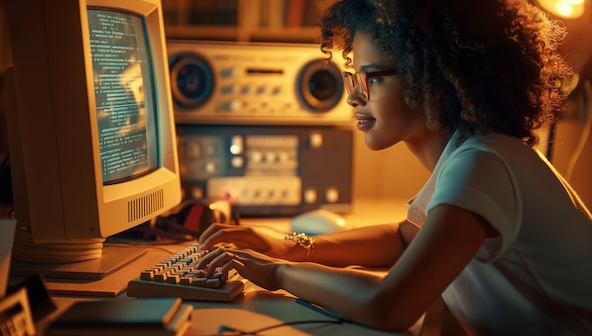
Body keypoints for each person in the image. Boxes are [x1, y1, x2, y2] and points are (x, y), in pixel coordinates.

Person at [194, 0, 592, 334]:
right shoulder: (470, 156)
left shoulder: (483, 163)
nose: (353, 97)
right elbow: (406, 238)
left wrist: (276, 272)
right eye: (353, 77)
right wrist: (292, 246)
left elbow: (389, 305)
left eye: (371, 78)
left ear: (434, 80)